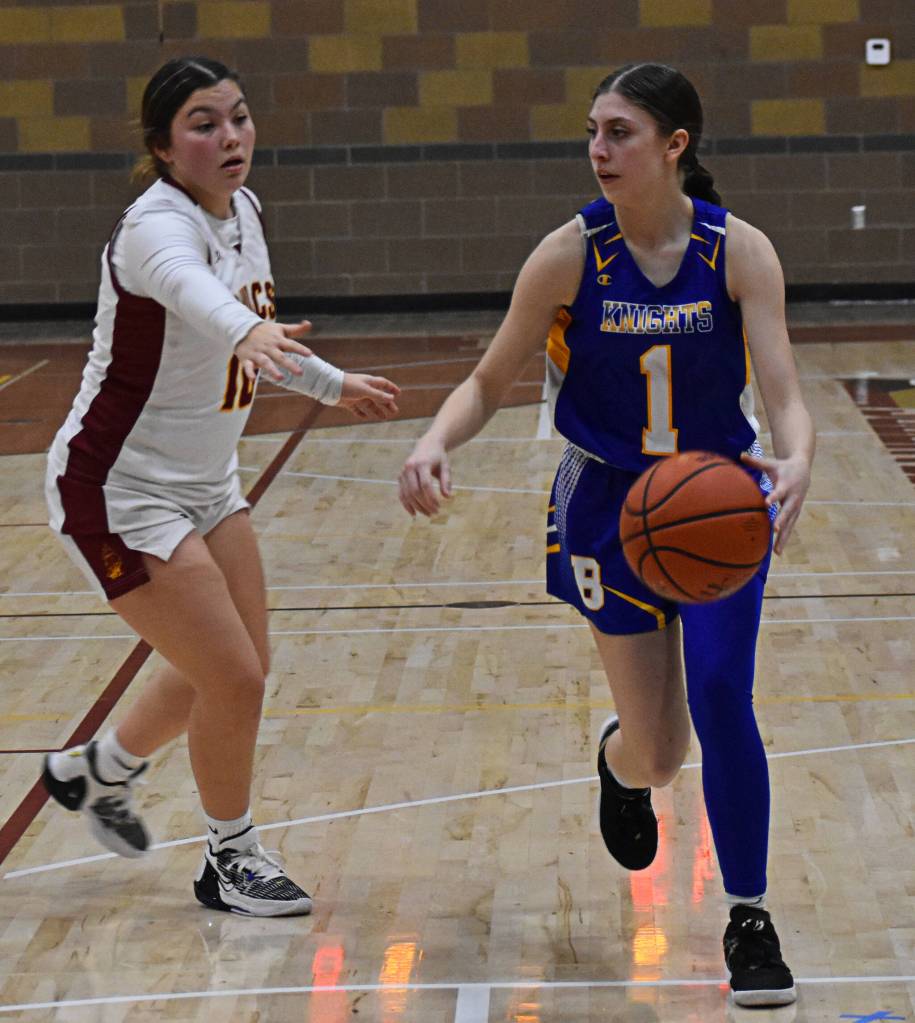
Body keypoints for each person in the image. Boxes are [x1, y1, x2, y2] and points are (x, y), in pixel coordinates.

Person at [398, 63, 814, 1006]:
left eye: (619, 131)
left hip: (714, 499)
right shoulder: (567, 254)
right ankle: (615, 761)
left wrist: (796, 461)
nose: (597, 149)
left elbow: (783, 389)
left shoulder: (737, 250)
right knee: (659, 753)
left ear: (675, 146)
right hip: (604, 505)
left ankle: (748, 914)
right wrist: (433, 436)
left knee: (720, 692)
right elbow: (489, 379)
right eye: (592, 130)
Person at [42, 56, 400, 918]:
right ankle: (229, 856)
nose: (230, 136)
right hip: (116, 488)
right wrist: (247, 331)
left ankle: (97, 771)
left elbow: (253, 332)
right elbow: (197, 296)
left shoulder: (242, 209)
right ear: (164, 149)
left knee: (236, 668)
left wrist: (329, 381)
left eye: (238, 117)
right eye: (204, 124)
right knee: (232, 675)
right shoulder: (150, 229)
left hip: (206, 482)